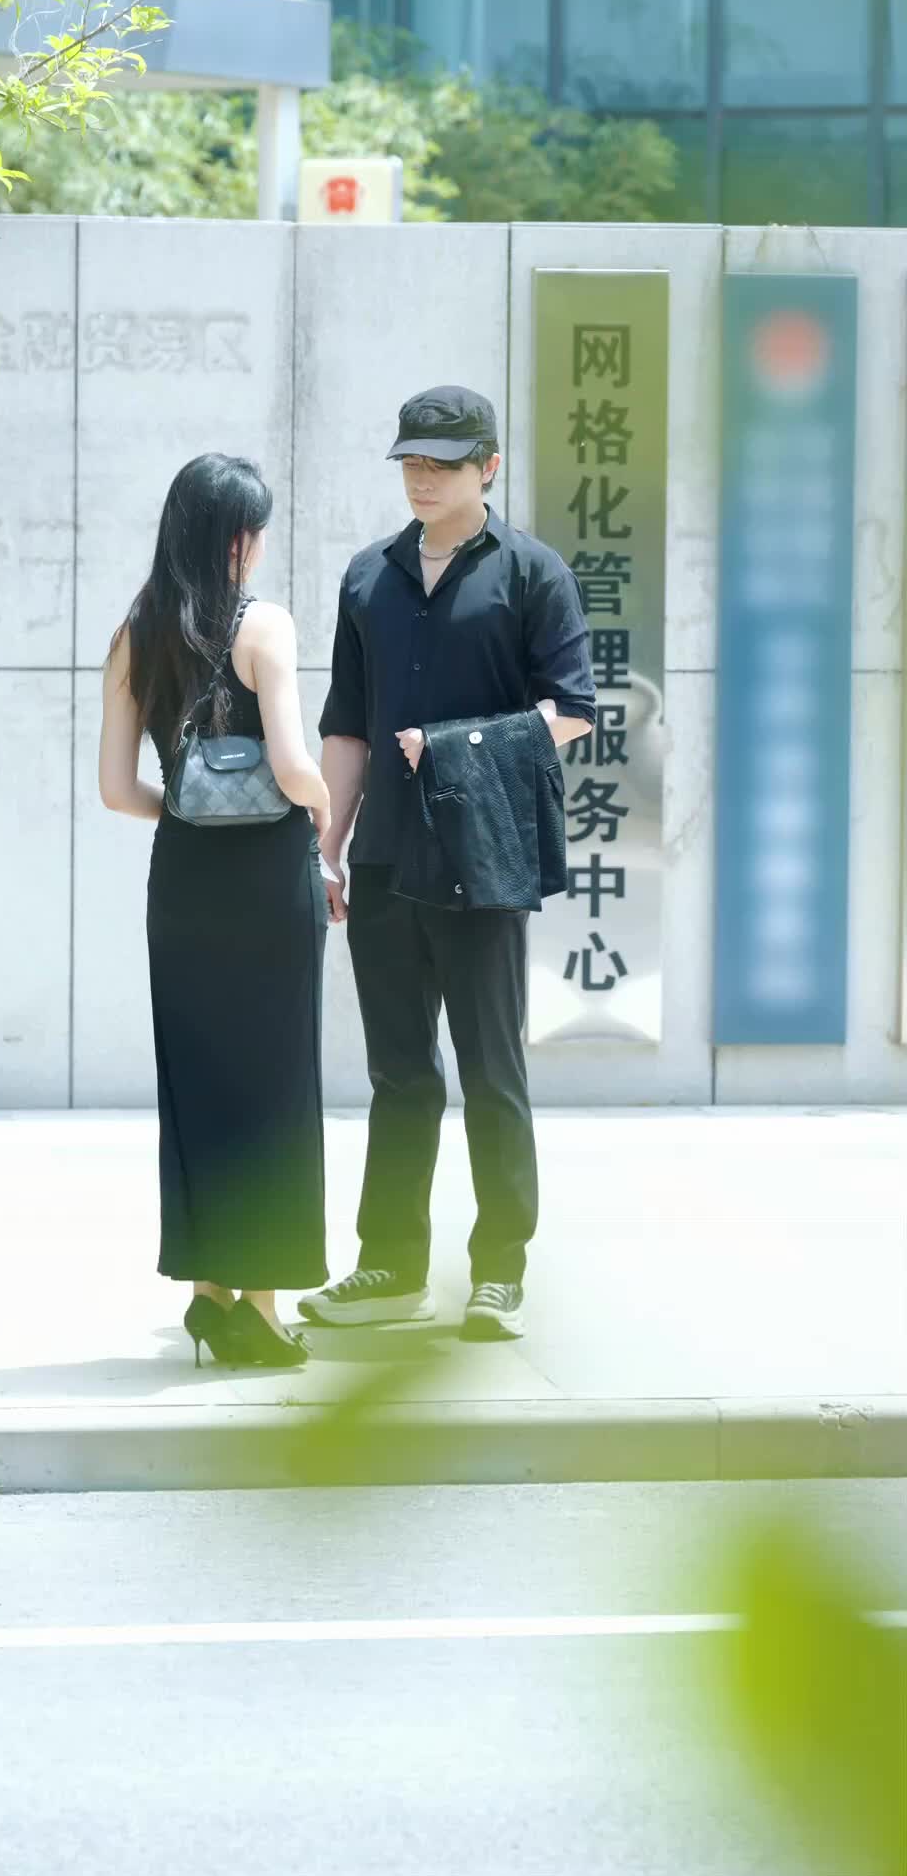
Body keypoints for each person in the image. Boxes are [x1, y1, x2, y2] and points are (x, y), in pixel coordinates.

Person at [300, 386, 596, 1343]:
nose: (422, 479)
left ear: (489, 467)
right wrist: (327, 848)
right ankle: (391, 1267)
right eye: (412, 463)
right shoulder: (368, 578)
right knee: (399, 1074)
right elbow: (348, 726)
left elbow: (573, 711)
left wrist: (460, 746)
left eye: (444, 463)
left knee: (492, 1069)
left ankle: (499, 1271)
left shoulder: (533, 572)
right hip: (386, 856)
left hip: (483, 859)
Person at [99, 454, 331, 1369]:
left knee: (196, 1083)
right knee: (274, 1087)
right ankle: (262, 1312)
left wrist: (192, 811)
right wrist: (325, 809)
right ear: (238, 540)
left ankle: (208, 1294)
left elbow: (118, 790)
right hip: (268, 883)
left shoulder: (134, 634)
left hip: (184, 884)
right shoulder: (263, 625)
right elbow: (294, 766)